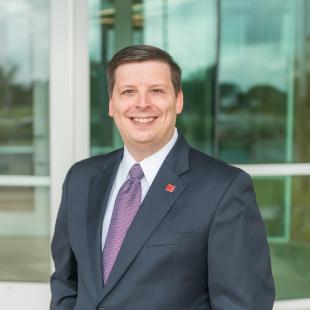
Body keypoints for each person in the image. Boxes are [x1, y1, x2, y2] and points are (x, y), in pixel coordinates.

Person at [50, 45, 275, 310]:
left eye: (156, 91)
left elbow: (243, 304)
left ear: (178, 100)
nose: (142, 103)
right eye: (128, 92)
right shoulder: (81, 179)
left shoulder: (224, 189)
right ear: (112, 104)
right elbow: (67, 282)